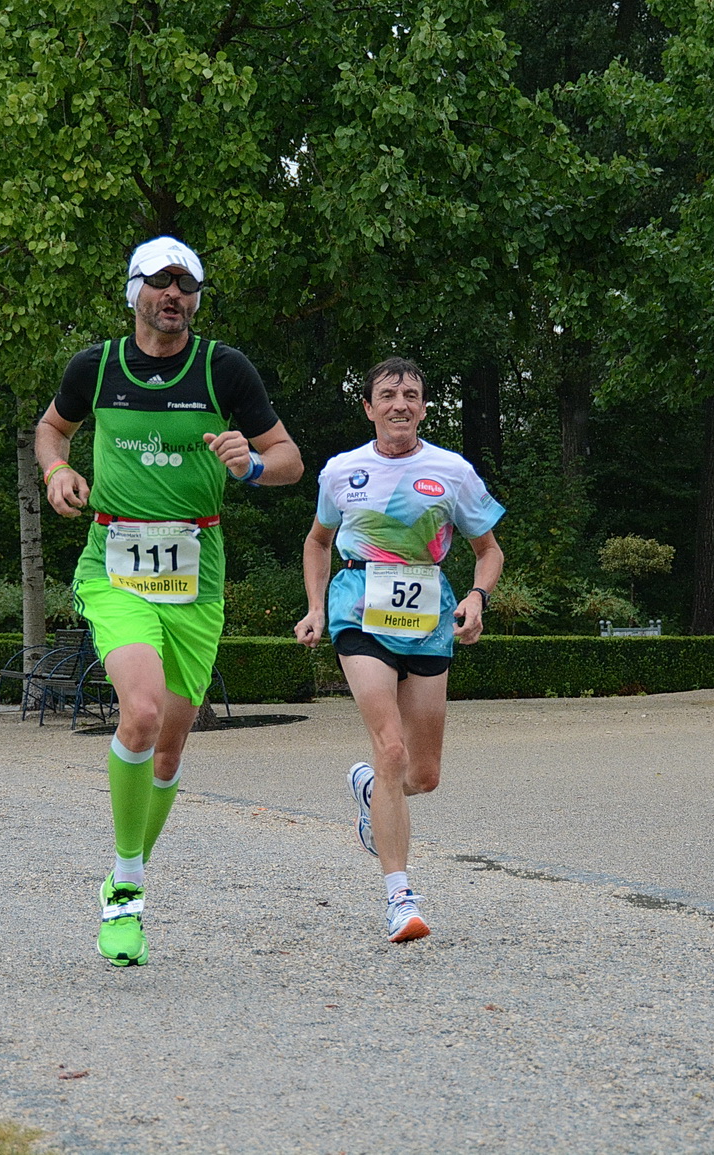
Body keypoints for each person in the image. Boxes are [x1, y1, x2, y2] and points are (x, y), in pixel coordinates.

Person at [34, 236, 303, 967]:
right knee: (143, 711)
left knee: (172, 742)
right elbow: (51, 427)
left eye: (186, 283)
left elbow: (289, 460)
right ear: (135, 292)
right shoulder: (96, 367)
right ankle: (125, 892)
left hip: (196, 571)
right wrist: (57, 470)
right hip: (114, 562)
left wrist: (251, 466)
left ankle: (128, 872)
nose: (174, 294)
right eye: (160, 282)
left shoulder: (224, 368)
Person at [294, 357, 505, 943]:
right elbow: (318, 541)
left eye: (411, 394)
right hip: (359, 606)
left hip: (430, 615)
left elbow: (489, 550)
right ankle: (400, 899)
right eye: (388, 394)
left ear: (423, 407)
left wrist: (478, 598)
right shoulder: (341, 471)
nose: (400, 404)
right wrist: (315, 608)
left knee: (422, 773)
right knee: (390, 749)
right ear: (369, 407)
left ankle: (369, 790)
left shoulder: (452, 471)